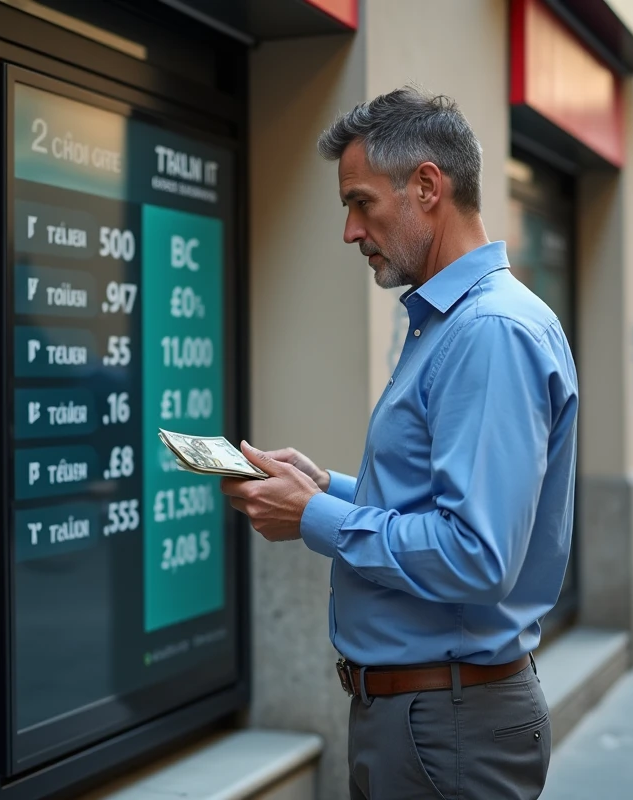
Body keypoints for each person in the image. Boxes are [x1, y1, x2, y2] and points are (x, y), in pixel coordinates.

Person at [219, 86, 578, 800]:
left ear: (426, 187)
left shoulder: (487, 333)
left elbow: (477, 555)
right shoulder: (456, 323)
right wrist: (324, 488)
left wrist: (316, 520)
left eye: (361, 203)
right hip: (431, 718)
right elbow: (439, 503)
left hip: (446, 727)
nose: (351, 231)